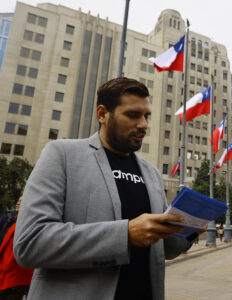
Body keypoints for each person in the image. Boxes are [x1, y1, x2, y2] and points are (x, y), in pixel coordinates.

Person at [14, 77, 199, 300]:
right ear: (102, 114)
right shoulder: (62, 155)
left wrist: (190, 230)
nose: (143, 124)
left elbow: (166, 249)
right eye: (133, 115)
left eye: (146, 116)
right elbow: (30, 243)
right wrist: (125, 234)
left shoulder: (151, 173)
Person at [0, 197, 34, 299]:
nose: (18, 202)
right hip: (5, 271)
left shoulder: (30, 223)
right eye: (18, 200)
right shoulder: (9, 220)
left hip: (15, 277)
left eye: (22, 200)